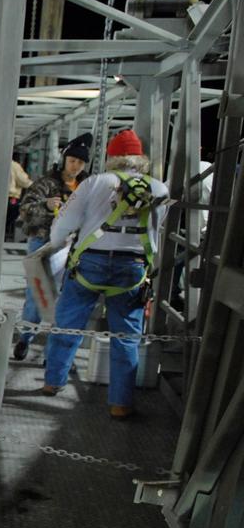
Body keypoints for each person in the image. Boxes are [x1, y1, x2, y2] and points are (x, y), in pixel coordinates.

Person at [41, 129, 169, 419]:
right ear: (140, 158)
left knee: (69, 322)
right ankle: (120, 403)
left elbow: (64, 223)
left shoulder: (95, 183)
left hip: (90, 263)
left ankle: (53, 382)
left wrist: (56, 244)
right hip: (133, 269)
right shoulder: (160, 189)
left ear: (112, 156)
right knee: (126, 334)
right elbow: (156, 229)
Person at [14, 133, 92, 360]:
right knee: (36, 293)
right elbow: (25, 209)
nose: (75, 166)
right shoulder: (46, 183)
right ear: (64, 159)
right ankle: (25, 337)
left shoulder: (87, 186)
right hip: (43, 244)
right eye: (72, 161)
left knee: (66, 297)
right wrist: (46, 205)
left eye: (80, 162)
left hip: (74, 247)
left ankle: (53, 349)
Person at [7, 153, 34, 239]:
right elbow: (23, 181)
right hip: (12, 196)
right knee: (8, 218)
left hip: (0, 197)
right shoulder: (14, 165)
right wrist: (36, 185)